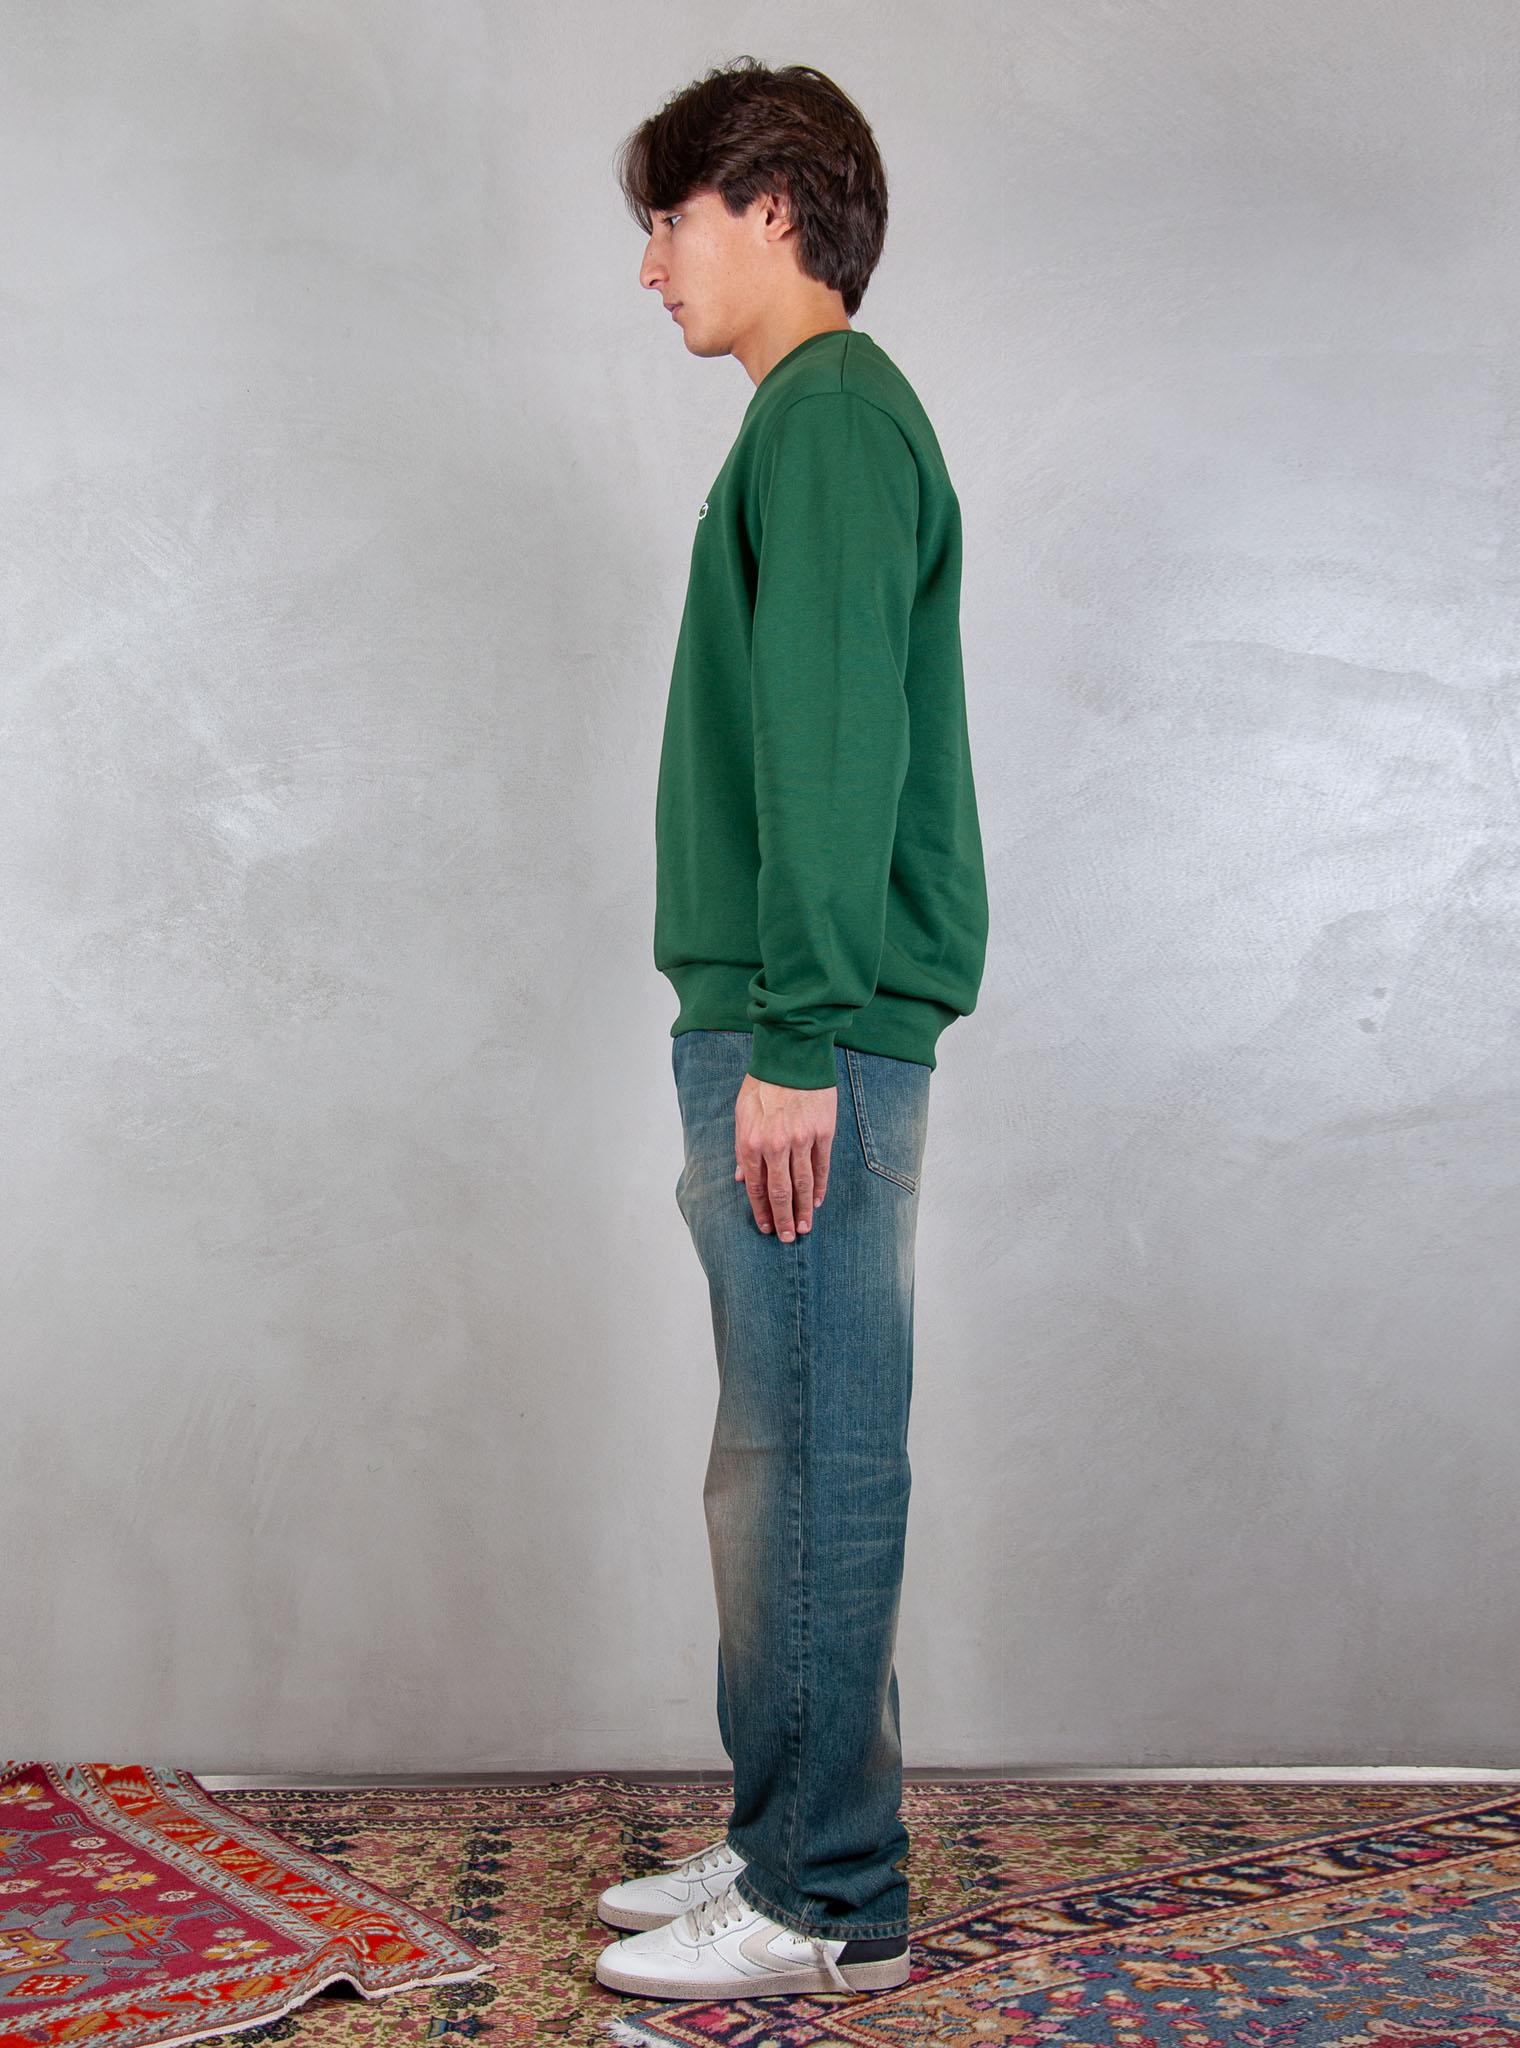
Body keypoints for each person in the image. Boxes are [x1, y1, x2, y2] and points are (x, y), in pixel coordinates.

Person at [593, 56, 988, 2005]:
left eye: (667, 220)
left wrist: (797, 1038)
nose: (649, 265)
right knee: (776, 1451)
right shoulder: (806, 419)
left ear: (766, 204)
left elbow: (835, 745)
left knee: (814, 1447)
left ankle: (828, 1898)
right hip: (775, 1011)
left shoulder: (827, 416)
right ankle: (779, 1838)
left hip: (799, 1025)